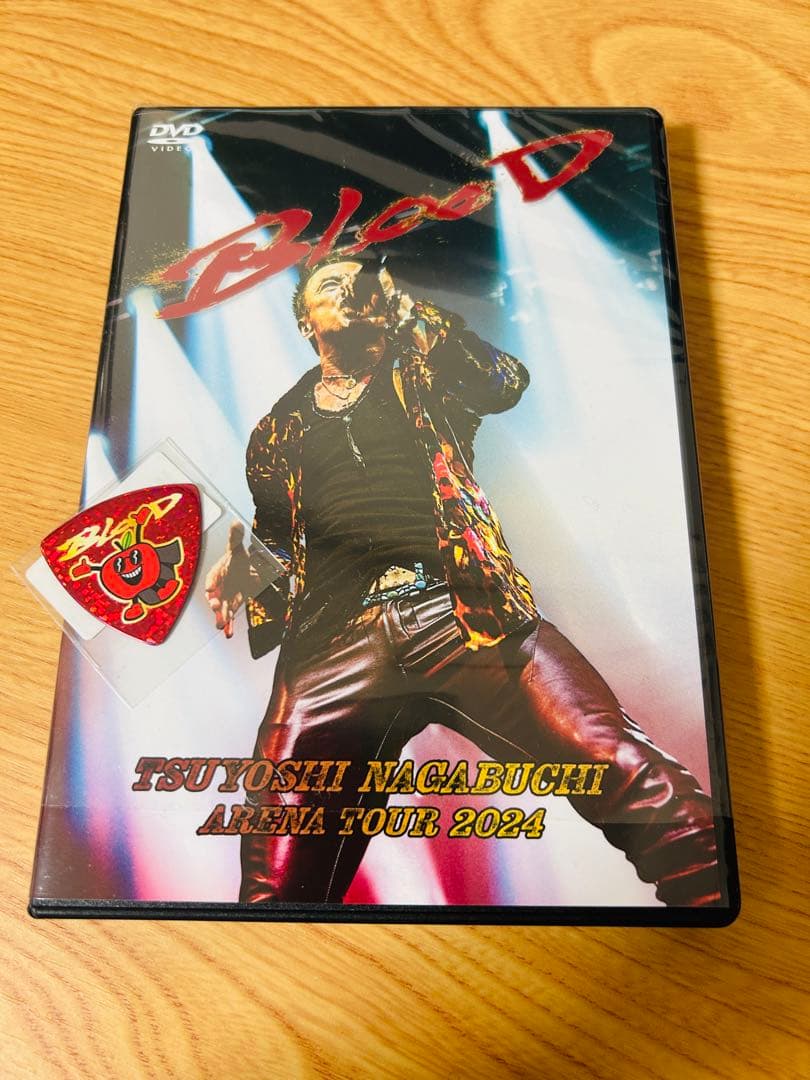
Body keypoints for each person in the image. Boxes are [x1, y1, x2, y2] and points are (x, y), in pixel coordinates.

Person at [205, 254, 721, 908]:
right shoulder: (276, 430)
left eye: (364, 281)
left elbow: (501, 382)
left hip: (462, 611)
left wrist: (407, 311)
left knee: (621, 767)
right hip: (330, 647)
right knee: (274, 873)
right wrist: (247, 566)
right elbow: (280, 534)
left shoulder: (423, 366)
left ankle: (714, 918)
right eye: (334, 285)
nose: (353, 290)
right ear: (307, 321)